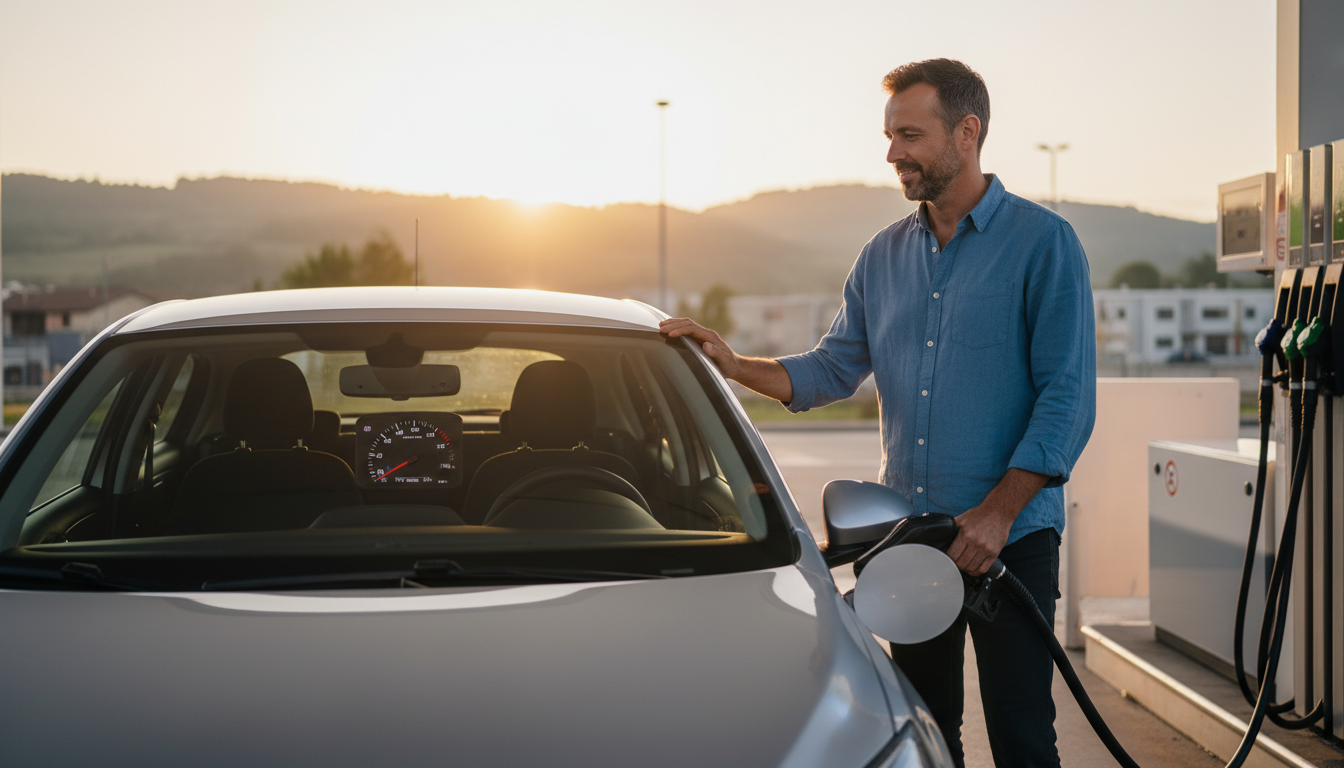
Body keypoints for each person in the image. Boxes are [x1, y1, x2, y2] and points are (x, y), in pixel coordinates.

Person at [660, 58, 1095, 768]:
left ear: (967, 132)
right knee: (922, 731)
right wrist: (736, 366)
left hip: (1009, 540)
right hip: (912, 540)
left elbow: (1067, 396)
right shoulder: (882, 256)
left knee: (1022, 737)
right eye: (889, 135)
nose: (892, 152)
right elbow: (832, 367)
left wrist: (998, 514)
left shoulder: (1044, 246)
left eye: (910, 135)